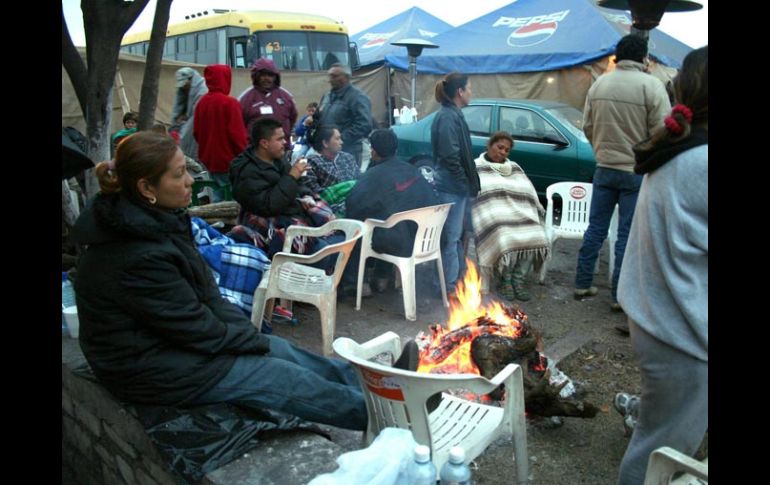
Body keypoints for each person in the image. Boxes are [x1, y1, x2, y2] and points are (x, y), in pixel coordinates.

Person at [71, 131, 366, 431]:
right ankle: (385, 413)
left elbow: (208, 298)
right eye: (179, 174)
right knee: (281, 377)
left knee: (280, 349)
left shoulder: (160, 220)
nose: (189, 181)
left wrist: (251, 338)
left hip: (178, 344)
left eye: (186, 169)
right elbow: (194, 327)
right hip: (149, 369)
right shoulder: (134, 254)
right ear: (147, 187)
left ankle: (377, 384)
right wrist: (247, 342)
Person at [614, 46, 708, 485]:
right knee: (660, 455)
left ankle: (641, 410)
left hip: (658, 316)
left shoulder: (682, 149)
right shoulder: (700, 159)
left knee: (658, 431)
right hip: (681, 333)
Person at [575, 34, 671, 313]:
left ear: (618, 55)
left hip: (604, 168)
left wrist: (601, 151)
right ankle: (618, 296)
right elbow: (661, 133)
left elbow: (588, 126)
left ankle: (582, 283)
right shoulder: (651, 86)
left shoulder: (600, 84)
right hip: (635, 171)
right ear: (644, 58)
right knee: (626, 236)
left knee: (595, 228)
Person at [343, 128, 439, 294]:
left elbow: (353, 206)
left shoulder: (373, 176)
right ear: (395, 149)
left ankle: (355, 282)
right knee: (390, 223)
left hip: (395, 244)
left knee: (358, 227)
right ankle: (382, 277)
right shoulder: (413, 171)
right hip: (425, 241)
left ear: (373, 151)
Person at [228, 118, 337, 258]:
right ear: (264, 143)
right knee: (325, 252)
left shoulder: (277, 159)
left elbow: (298, 186)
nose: (285, 142)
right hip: (269, 226)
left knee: (336, 237)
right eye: (279, 139)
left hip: (292, 216)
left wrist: (305, 195)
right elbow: (269, 205)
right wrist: (292, 177)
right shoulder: (246, 172)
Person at [471, 132, 548, 301]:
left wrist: (532, 210)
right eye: (500, 147)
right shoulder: (477, 166)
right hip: (493, 214)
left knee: (537, 235)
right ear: (489, 145)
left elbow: (527, 191)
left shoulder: (514, 167)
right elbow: (479, 196)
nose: (503, 152)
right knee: (504, 236)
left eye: (507, 150)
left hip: (519, 211)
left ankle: (517, 279)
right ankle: (505, 279)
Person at [431, 72, 480, 297]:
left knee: (456, 236)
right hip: (450, 188)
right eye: (469, 88)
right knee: (450, 238)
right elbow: (451, 156)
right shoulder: (448, 117)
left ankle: (457, 280)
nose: (471, 92)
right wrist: (463, 184)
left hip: (455, 187)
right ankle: (448, 288)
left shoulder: (454, 115)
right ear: (460, 92)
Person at [193, 64, 248, 202]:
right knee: (234, 200)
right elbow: (238, 136)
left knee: (217, 198)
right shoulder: (230, 103)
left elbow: (196, 133)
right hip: (230, 161)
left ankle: (220, 222)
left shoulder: (201, 103)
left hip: (210, 161)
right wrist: (247, 157)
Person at [317, 64, 373, 166]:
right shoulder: (327, 96)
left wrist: (339, 139)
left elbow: (365, 124)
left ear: (346, 77)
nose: (330, 80)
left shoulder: (357, 97)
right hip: (327, 150)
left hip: (349, 151)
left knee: (348, 181)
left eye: (335, 76)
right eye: (329, 76)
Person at [238, 58, 298, 148]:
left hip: (281, 151)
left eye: (270, 75)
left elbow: (293, 117)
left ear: (275, 77)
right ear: (256, 76)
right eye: (263, 75)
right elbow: (239, 125)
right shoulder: (246, 98)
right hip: (256, 152)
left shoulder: (286, 96)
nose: (266, 78)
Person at [304, 125, 360, 214]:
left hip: (356, 202)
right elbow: (316, 194)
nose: (341, 142)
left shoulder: (348, 158)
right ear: (325, 143)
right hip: (329, 209)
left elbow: (359, 182)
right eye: (337, 139)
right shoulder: (310, 163)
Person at [171, 67, 208, 161]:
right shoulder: (183, 91)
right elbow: (178, 107)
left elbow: (196, 116)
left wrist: (183, 133)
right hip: (186, 124)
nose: (183, 87)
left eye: (185, 84)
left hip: (196, 128)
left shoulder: (202, 90)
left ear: (191, 79)